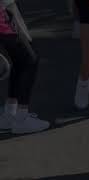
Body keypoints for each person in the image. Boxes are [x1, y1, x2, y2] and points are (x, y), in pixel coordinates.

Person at [0, 1, 49, 134]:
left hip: (5, 12)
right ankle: (21, 119)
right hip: (4, 14)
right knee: (30, 60)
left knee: (20, 61)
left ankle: (9, 114)